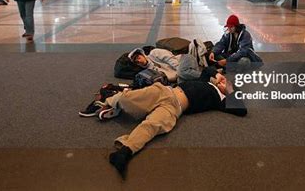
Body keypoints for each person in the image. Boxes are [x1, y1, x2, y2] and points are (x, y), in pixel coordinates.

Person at [91, 66, 247, 178]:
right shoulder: (206, 81)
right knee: (130, 99)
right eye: (222, 82)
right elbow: (207, 70)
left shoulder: (220, 100)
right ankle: (109, 100)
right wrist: (217, 76)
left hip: (175, 109)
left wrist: (229, 90)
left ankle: (125, 152)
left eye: (224, 85)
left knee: (152, 126)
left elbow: (242, 110)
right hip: (165, 92)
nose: (221, 84)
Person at [128, 44, 207, 83]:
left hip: (184, 59)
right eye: (136, 61)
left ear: (142, 54)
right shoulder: (148, 72)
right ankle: (207, 80)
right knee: (181, 84)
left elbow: (170, 59)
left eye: (138, 57)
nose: (139, 61)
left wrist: (179, 71)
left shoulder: (154, 53)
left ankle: (209, 77)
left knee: (181, 72)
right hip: (180, 75)